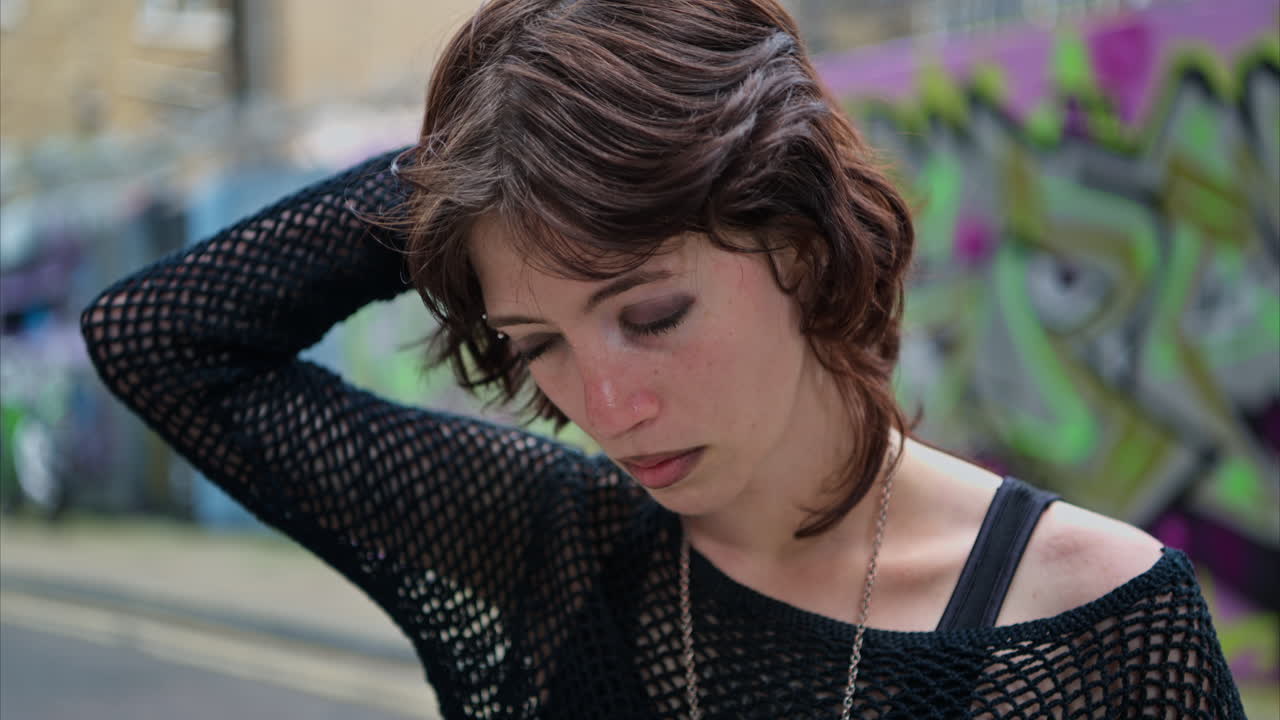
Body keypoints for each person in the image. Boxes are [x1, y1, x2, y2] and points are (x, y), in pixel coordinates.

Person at [81, 0, 1244, 717]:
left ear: (798, 241)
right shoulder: (549, 547)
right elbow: (160, 341)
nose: (609, 404)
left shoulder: (1094, 621)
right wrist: (492, 152)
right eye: (538, 342)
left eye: (650, 314)